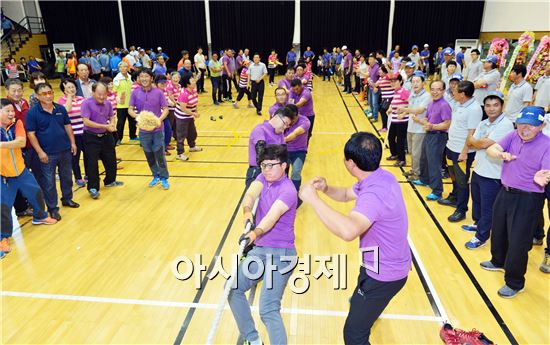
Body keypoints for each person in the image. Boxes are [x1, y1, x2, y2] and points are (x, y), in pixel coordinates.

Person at [299, 132, 410, 344]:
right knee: (360, 306)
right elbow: (344, 195)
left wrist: (313, 200)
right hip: (378, 263)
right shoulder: (379, 177)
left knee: (353, 334)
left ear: (350, 163)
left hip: (384, 274)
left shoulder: (373, 194)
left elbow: (349, 231)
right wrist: (325, 189)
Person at [229, 144, 298, 345]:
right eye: (263, 165)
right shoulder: (264, 178)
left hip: (281, 256)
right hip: (260, 252)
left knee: (268, 309)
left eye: (271, 165)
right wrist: (247, 211)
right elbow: (250, 193)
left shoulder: (288, 190)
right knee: (233, 289)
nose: (266, 169)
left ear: (284, 165)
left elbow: (271, 217)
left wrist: (254, 233)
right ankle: (253, 339)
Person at [481, 106, 550, 298]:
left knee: (518, 240)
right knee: (500, 229)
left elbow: (547, 170)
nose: (525, 129)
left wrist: (542, 175)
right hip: (506, 191)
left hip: (528, 198)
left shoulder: (547, 145)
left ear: (542, 125)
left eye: (531, 125)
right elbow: (492, 148)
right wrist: (500, 154)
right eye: (522, 124)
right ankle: (498, 261)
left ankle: (514, 282)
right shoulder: (513, 136)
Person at [1, 99, 57, 258]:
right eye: (7, 111)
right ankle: (3, 237)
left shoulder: (17, 123)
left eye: (12, 110)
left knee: (36, 193)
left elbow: (21, 141)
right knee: (3, 207)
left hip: (21, 171)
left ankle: (40, 216)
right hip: (3, 176)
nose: (11, 113)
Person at [463, 92, 514, 249]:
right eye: (488, 105)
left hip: (493, 174)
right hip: (479, 169)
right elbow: (471, 142)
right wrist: (476, 141)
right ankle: (478, 224)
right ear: (484, 107)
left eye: (495, 105)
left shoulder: (505, 124)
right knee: (477, 201)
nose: (491, 109)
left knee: (488, 207)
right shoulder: (484, 123)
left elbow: (480, 143)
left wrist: (476, 140)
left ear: (502, 106)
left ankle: (482, 236)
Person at [25, 83, 79, 221]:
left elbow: (67, 126)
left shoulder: (60, 108)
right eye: (44, 94)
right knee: (49, 182)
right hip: (47, 154)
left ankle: (67, 199)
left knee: (67, 177)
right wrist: (40, 152)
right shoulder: (32, 113)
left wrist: (72, 143)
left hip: (65, 150)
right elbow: (31, 134)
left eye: (50, 92)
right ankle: (53, 208)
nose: (48, 96)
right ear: (37, 96)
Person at [439, 81, 482, 222]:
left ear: (463, 94)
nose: (453, 92)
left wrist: (464, 151)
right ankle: (454, 196)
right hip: (451, 147)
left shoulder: (474, 109)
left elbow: (472, 133)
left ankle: (461, 209)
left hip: (462, 152)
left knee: (462, 181)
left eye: (455, 91)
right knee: (453, 175)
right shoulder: (459, 103)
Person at [80, 82, 123, 199]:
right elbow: (86, 122)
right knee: (92, 163)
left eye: (104, 94)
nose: (102, 97)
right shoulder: (86, 104)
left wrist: (112, 124)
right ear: (93, 92)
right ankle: (93, 187)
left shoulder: (108, 103)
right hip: (91, 137)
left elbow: (111, 116)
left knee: (110, 159)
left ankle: (110, 181)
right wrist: (105, 126)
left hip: (106, 136)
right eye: (99, 94)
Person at [128, 69, 170, 190]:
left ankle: (164, 177)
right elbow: (130, 109)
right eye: (142, 76)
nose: (144, 79)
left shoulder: (159, 92)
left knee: (159, 154)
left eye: (146, 76)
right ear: (139, 79)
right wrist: (139, 117)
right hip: (143, 130)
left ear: (151, 78)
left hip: (157, 130)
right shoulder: (135, 93)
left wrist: (158, 120)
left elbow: (165, 109)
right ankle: (155, 175)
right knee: (149, 154)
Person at [412, 80, 452, 201]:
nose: (435, 92)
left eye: (439, 89)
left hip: (438, 136)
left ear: (443, 91)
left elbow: (447, 124)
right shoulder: (431, 103)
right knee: (424, 158)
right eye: (433, 89)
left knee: (434, 163)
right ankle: (424, 179)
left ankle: (437, 191)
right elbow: (427, 118)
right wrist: (422, 121)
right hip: (429, 134)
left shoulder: (444, 105)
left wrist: (432, 126)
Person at [245, 107, 295, 186]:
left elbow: (284, 157)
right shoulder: (260, 129)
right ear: (276, 117)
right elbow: (261, 155)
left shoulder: (280, 134)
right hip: (258, 173)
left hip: (275, 174)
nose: (285, 127)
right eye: (285, 123)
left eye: (287, 125)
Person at [400, 71, 431, 181]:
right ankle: (413, 169)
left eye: (418, 81)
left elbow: (420, 110)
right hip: (411, 127)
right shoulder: (412, 94)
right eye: (413, 82)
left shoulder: (427, 96)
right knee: (412, 151)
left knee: (417, 153)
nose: (415, 84)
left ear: (423, 83)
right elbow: (410, 106)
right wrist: (404, 113)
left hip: (420, 129)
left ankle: (417, 174)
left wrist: (405, 110)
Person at [57, 78, 87, 187]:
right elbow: (67, 110)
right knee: (75, 158)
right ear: (64, 90)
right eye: (68, 87)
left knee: (88, 156)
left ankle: (88, 175)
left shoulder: (81, 99)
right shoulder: (61, 101)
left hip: (85, 132)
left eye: (73, 87)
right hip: (72, 135)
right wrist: (69, 97)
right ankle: (78, 178)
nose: (71, 89)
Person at [174, 74, 203, 161]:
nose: (194, 81)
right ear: (187, 83)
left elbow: (195, 102)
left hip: (189, 116)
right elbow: (183, 108)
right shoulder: (184, 93)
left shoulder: (194, 90)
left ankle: (192, 146)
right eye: (192, 80)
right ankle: (179, 153)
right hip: (182, 117)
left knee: (192, 133)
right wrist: (193, 114)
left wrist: (195, 111)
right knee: (181, 135)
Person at [284, 104, 310, 196]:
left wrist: (279, 140)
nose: (292, 122)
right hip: (285, 150)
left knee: (295, 172)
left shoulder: (305, 122)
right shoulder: (284, 120)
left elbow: (294, 134)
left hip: (299, 151)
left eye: (294, 119)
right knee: (282, 174)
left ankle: (295, 194)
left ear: (298, 114)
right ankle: (284, 192)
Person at [386, 73, 410, 167]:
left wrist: (404, 113)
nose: (392, 83)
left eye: (394, 81)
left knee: (400, 140)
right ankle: (395, 154)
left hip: (402, 121)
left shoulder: (404, 91)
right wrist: (390, 108)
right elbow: (394, 103)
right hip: (394, 120)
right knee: (391, 137)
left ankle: (402, 159)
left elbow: (411, 104)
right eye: (391, 81)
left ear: (400, 81)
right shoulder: (396, 92)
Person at [113, 61, 137, 143]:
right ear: (119, 68)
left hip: (131, 104)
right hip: (121, 105)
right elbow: (113, 91)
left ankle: (133, 136)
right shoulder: (117, 79)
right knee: (120, 123)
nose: (124, 68)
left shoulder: (130, 78)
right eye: (122, 67)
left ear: (128, 68)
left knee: (132, 121)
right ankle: (118, 139)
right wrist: (119, 99)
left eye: (125, 67)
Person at [374, 66, 393, 132]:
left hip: (390, 97)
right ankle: (386, 126)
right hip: (385, 98)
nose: (379, 71)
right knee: (381, 110)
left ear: (384, 71)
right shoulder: (380, 78)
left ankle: (386, 127)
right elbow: (375, 85)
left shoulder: (387, 76)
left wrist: (387, 67)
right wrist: (370, 82)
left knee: (383, 110)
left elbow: (391, 75)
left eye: (380, 70)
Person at [366, 54, 380, 121]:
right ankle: (371, 114)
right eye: (369, 59)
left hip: (375, 88)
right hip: (370, 87)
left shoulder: (377, 67)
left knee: (375, 103)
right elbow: (368, 76)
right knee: (370, 102)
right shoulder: (369, 67)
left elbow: (380, 78)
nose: (370, 61)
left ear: (375, 60)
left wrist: (377, 87)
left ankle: (375, 117)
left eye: (371, 59)